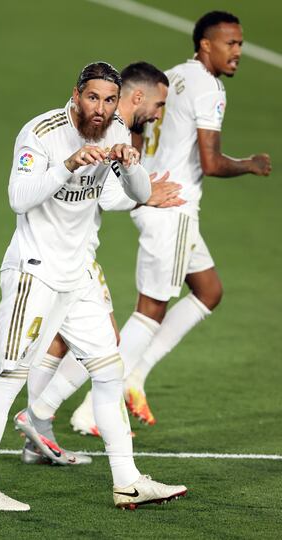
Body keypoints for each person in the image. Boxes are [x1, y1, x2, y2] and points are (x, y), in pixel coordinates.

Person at [0, 61, 187, 511]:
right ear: (77, 94)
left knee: (107, 371)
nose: (100, 109)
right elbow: (17, 198)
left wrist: (132, 163)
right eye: (92, 98)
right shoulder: (42, 133)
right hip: (34, 273)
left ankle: (127, 480)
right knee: (6, 379)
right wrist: (66, 165)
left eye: (107, 100)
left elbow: (136, 193)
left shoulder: (117, 128)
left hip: (78, 275)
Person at [17, 62, 184, 464]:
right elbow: (104, 196)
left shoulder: (117, 131)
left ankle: (34, 435)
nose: (159, 114)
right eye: (159, 104)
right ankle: (37, 417)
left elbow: (107, 194)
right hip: (64, 255)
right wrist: (145, 195)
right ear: (137, 96)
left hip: (73, 251)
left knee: (62, 338)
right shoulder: (107, 131)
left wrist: (139, 190)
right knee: (105, 341)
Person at [117, 11, 271, 425]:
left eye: (240, 43)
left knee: (208, 290)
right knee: (149, 311)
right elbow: (213, 162)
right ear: (206, 44)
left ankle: (135, 375)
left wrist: (139, 179)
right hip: (174, 208)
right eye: (230, 44)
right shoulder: (210, 89)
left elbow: (135, 126)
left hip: (154, 198)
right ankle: (93, 403)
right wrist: (250, 164)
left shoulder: (170, 76)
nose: (238, 51)